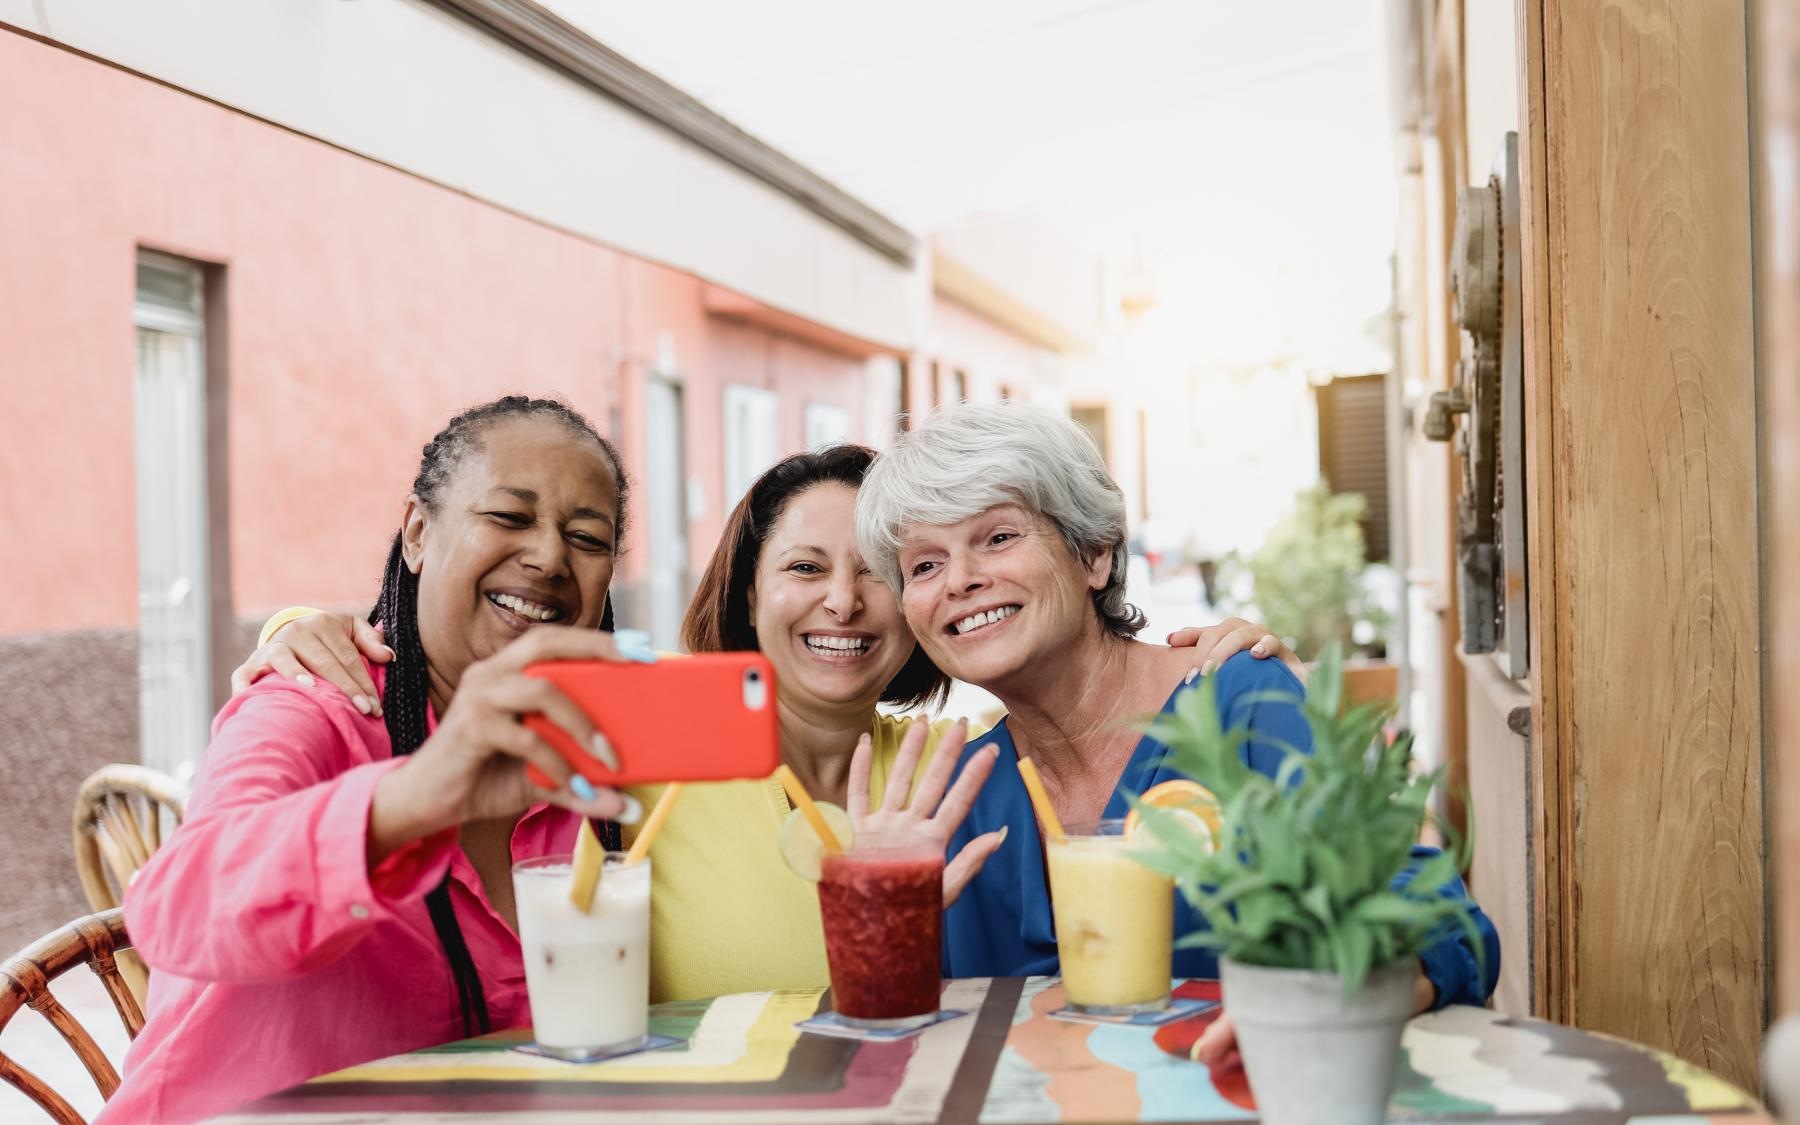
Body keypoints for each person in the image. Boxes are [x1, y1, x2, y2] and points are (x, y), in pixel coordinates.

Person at [239, 444, 1293, 1002]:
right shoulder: (651, 734)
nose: (844, 603)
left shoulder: (951, 769)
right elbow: (476, 678)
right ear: (747, 596)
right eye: (802, 568)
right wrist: (317, 626)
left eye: (887, 573)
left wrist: (1202, 653)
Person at [854, 401, 1501, 1060]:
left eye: (998, 537)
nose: (961, 580)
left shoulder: (1242, 701)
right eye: (925, 564)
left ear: (1095, 554)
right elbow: (907, 1039)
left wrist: (1324, 1006)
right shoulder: (958, 798)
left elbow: (1442, 923)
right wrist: (881, 921)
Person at [103, 397, 652, 1123]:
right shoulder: (315, 702)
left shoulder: (596, 756)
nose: (550, 556)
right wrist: (415, 793)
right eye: (510, 518)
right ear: (418, 533)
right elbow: (174, 907)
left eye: (586, 536)